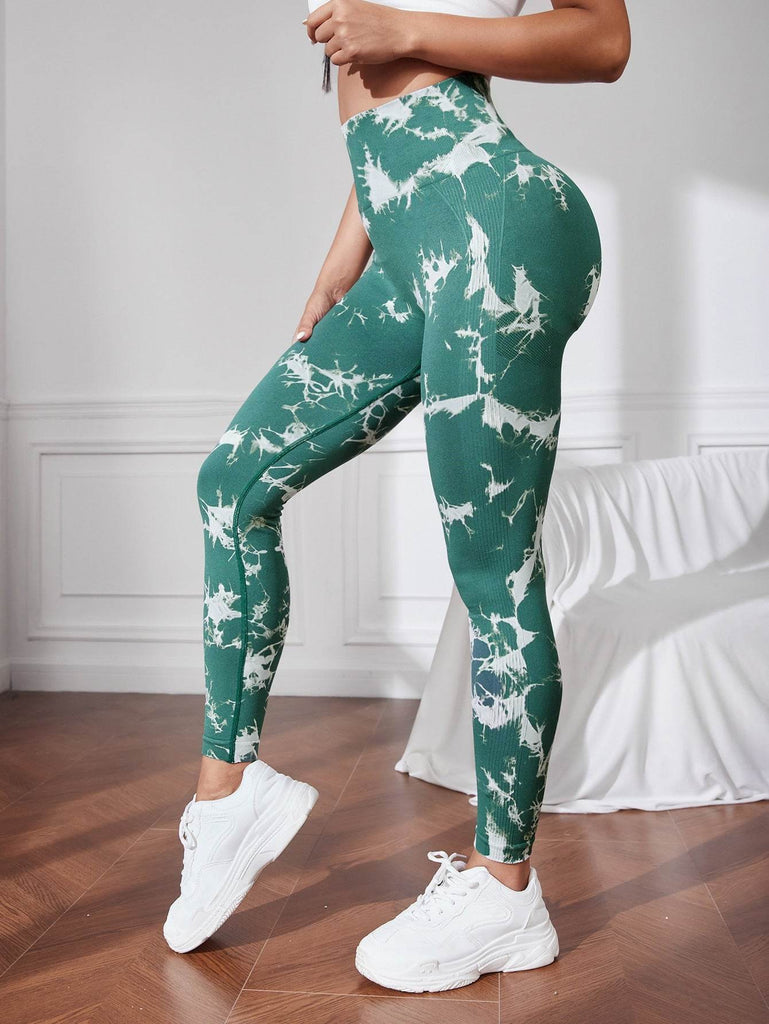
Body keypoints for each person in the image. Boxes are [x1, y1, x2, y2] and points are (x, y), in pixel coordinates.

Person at [162, 0, 630, 993]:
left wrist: (403, 30)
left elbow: (602, 39)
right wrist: (346, 257)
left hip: (497, 224)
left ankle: (505, 890)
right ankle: (229, 795)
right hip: (409, 236)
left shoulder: (407, 27)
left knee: (493, 568)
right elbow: (389, 111)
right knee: (231, 488)